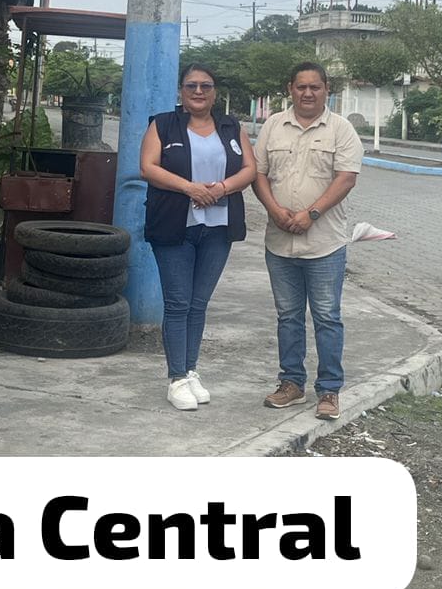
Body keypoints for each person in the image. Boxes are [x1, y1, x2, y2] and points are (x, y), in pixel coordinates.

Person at [140, 62, 257, 411]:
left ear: (215, 92)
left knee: (198, 304)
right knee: (178, 303)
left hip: (218, 228)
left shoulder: (231, 126)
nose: (198, 91)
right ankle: (176, 378)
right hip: (174, 226)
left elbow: (250, 169)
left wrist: (221, 188)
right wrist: (190, 188)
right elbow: (148, 168)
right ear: (181, 91)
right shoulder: (163, 124)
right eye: (191, 85)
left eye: (205, 85)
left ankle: (190, 370)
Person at [252, 61, 364, 420]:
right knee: (288, 316)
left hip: (324, 244)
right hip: (279, 241)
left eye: (315, 87)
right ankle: (291, 383)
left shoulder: (341, 130)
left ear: (326, 89)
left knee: (327, 317)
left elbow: (346, 178)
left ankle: (329, 390)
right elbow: (258, 174)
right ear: (290, 89)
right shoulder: (273, 126)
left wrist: (311, 214)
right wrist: (274, 210)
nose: (308, 93)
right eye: (301, 87)